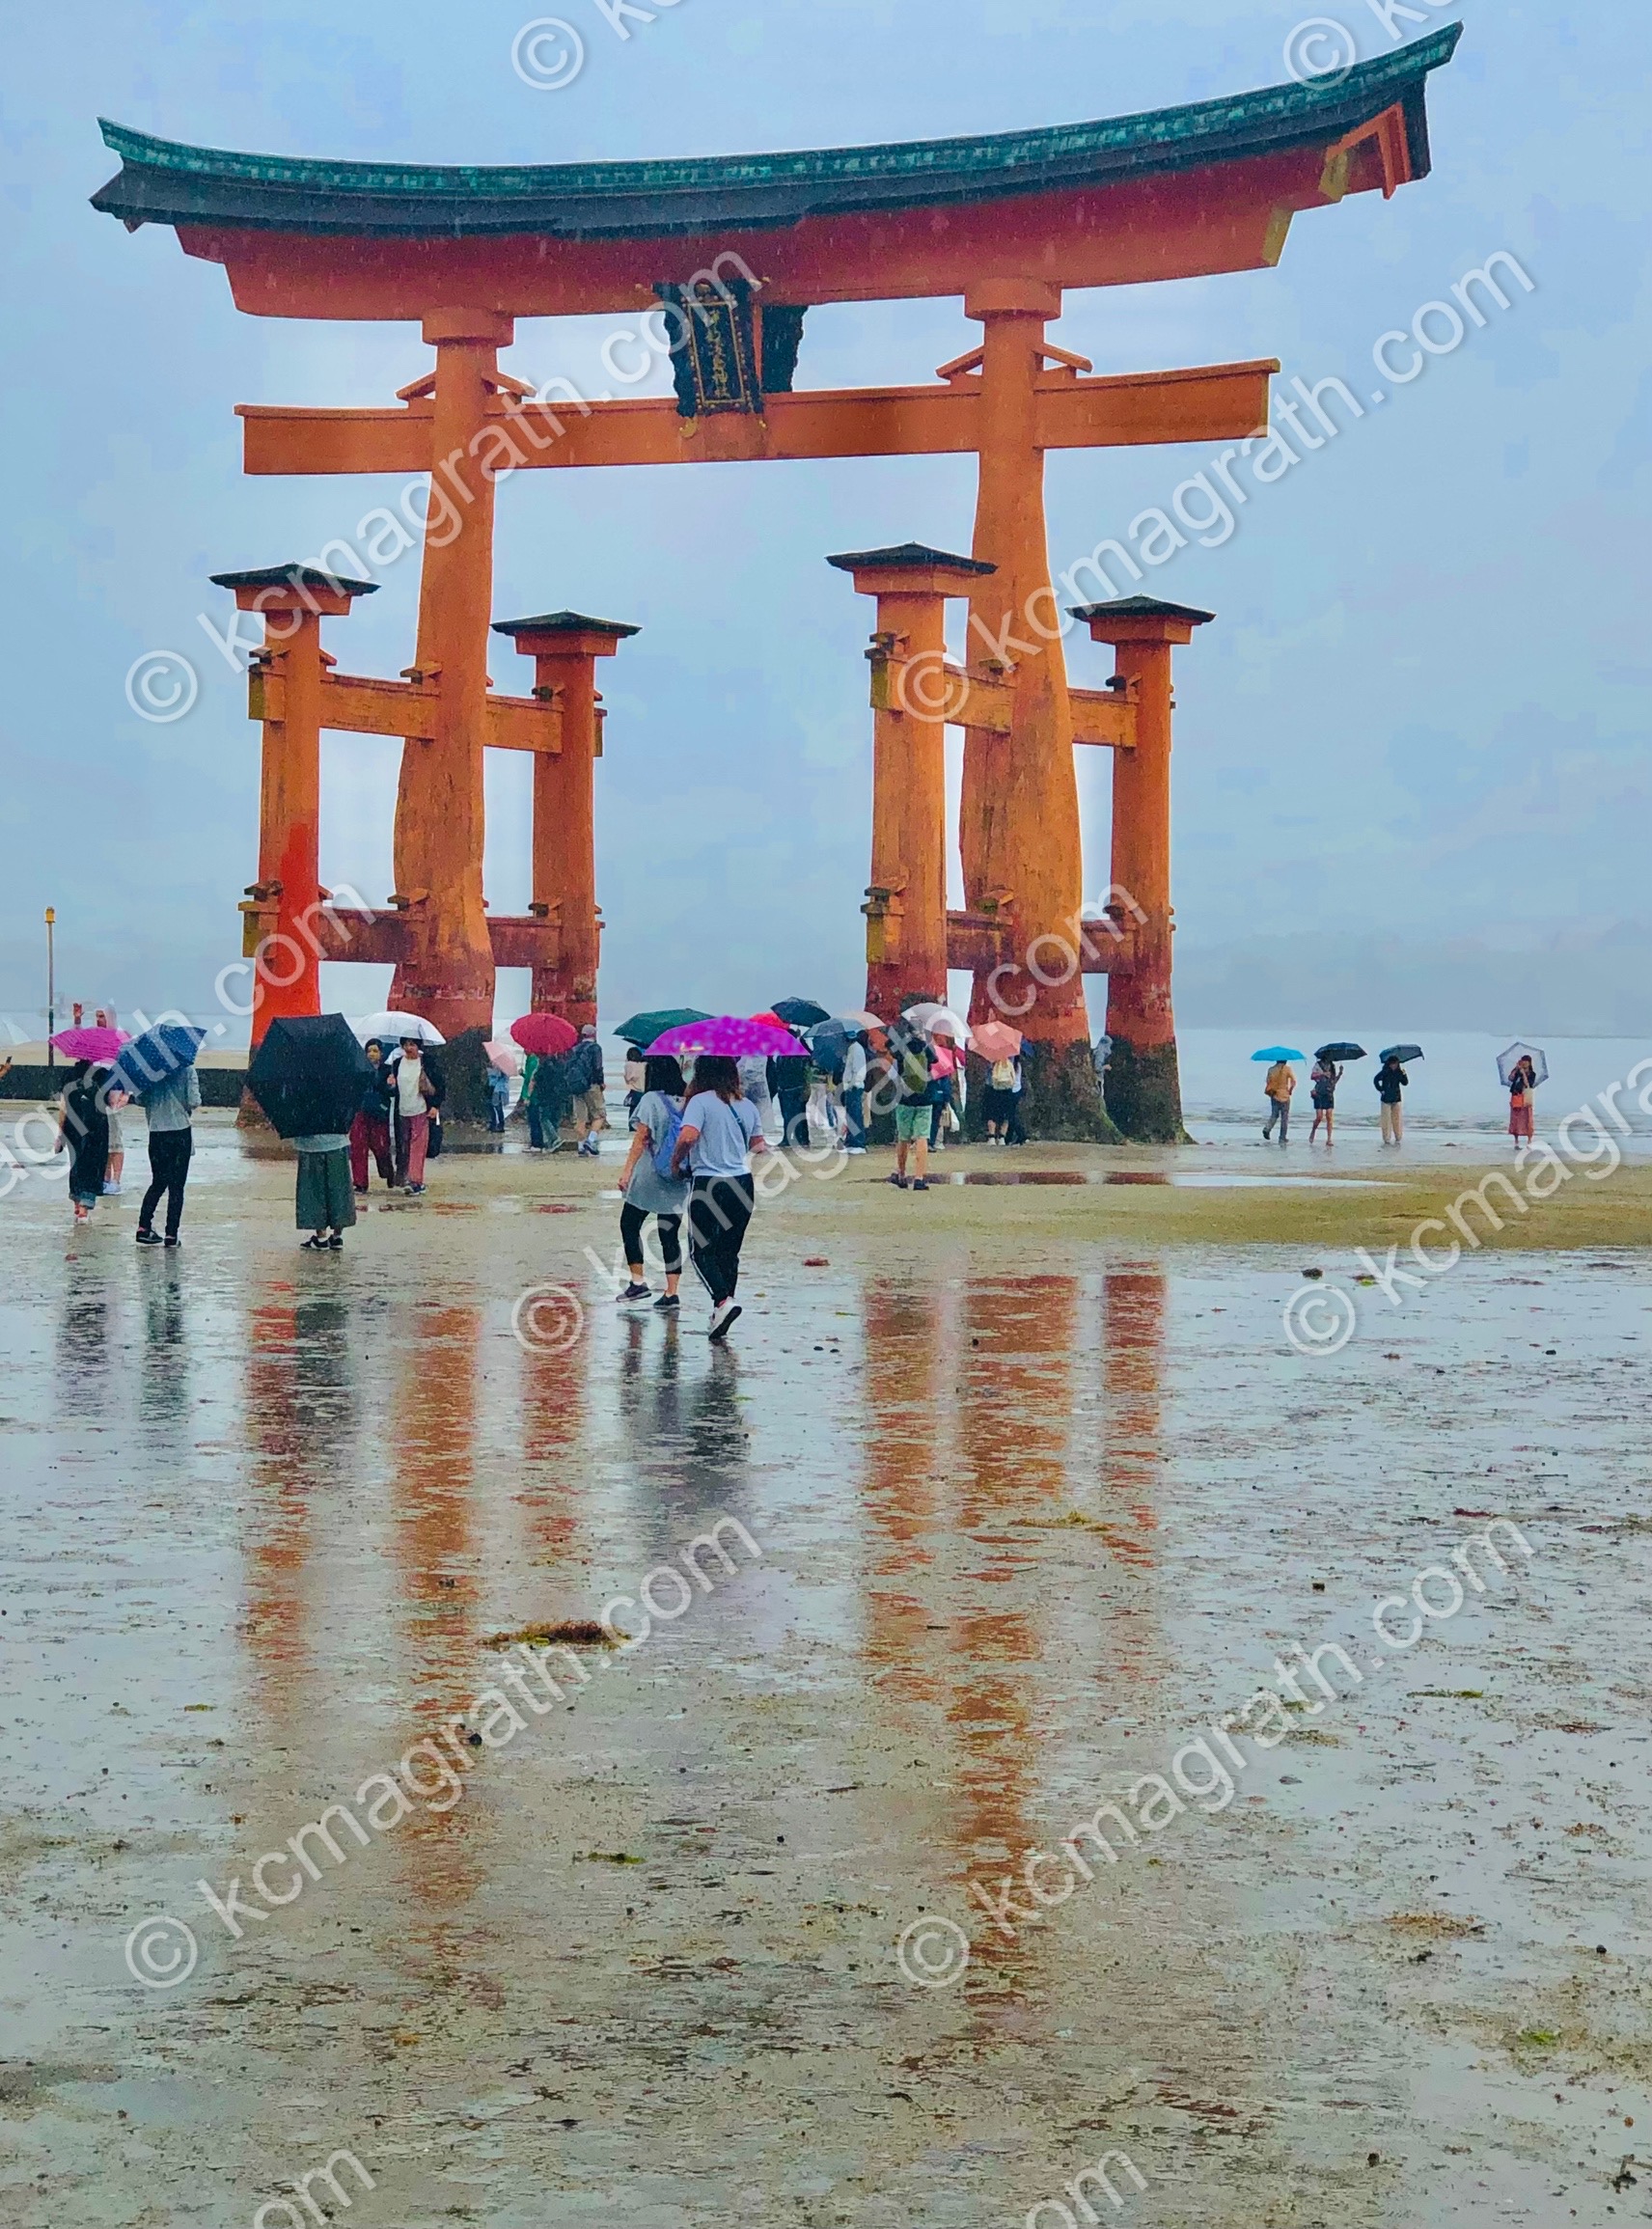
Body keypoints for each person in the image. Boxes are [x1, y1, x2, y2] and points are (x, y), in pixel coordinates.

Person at [672, 1053, 766, 1339]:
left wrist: (676, 1163)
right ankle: (722, 1308)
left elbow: (688, 1136)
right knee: (729, 1252)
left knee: (700, 1252)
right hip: (742, 1182)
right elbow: (758, 1144)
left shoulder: (699, 1102)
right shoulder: (747, 1105)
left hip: (709, 1182)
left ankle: (724, 1301)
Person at [615, 1055, 690, 1308]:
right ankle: (672, 1292)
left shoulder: (650, 1099)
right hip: (678, 1174)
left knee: (629, 1223)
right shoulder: (690, 1101)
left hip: (650, 1174)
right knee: (669, 1233)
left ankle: (638, 1282)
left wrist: (626, 1172)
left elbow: (641, 1138)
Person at [135, 1057, 200, 1247]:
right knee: (177, 1187)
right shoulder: (187, 1070)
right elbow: (194, 1100)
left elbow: (141, 1099)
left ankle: (143, 1226)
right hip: (180, 1132)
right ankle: (171, 1234)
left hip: (156, 1133)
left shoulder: (149, 1070)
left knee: (157, 1182)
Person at [384, 1036, 445, 1194]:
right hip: (402, 1110)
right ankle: (404, 1176)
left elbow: (440, 1084)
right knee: (403, 1146)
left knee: (417, 1146)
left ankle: (416, 1181)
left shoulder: (427, 1062)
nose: (408, 1048)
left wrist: (435, 1106)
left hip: (421, 1109)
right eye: (405, 1044)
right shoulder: (397, 1064)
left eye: (412, 1044)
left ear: (418, 1046)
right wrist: (390, 1084)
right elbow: (392, 1091)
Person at [57, 1061, 110, 1225]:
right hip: (96, 1127)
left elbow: (63, 1106)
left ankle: (76, 1201)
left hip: (73, 1125)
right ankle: (84, 1208)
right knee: (93, 1164)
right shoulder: (103, 1074)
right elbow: (111, 1102)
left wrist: (60, 1134)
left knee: (76, 1163)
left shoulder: (68, 1074)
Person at [888, 1024, 935, 1192]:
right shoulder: (926, 1048)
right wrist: (924, 1041)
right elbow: (935, 1060)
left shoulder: (901, 1048)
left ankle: (901, 1174)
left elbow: (889, 1047)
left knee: (903, 1137)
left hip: (904, 1098)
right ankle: (919, 1178)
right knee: (922, 1137)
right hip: (925, 1098)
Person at [294, 1127, 356, 1251]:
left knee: (314, 1191)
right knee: (339, 1191)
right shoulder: (339, 1107)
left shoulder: (304, 1107)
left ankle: (321, 1238)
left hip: (311, 1146)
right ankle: (337, 1236)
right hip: (338, 1145)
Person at [350, 1038, 395, 1192]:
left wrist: (390, 1085)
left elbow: (392, 1092)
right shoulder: (359, 1069)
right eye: (369, 1051)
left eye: (375, 1051)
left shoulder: (388, 1070)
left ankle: (388, 1173)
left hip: (379, 1113)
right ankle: (360, 1183)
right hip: (360, 1112)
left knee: (381, 1147)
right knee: (358, 1148)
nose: (371, 1054)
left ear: (381, 1053)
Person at [564, 1025, 608, 1157]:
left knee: (580, 1119)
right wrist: (601, 1082)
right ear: (593, 1035)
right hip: (591, 1085)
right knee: (599, 1115)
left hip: (576, 1086)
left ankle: (581, 1146)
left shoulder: (574, 1049)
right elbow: (598, 1067)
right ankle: (591, 1140)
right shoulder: (595, 1048)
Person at [526, 1045, 569, 1152]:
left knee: (545, 1118)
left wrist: (528, 1096)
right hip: (558, 1096)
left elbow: (533, 1082)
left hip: (545, 1096)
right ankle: (552, 1143)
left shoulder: (542, 1067)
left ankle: (554, 1138)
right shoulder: (560, 1065)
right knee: (554, 1119)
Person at [768, 1046, 809, 1151]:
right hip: (786, 1089)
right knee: (791, 1114)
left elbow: (796, 1073)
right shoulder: (784, 1055)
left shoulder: (795, 1055)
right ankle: (796, 1138)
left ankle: (793, 1138)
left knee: (792, 1114)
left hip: (792, 1089)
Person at [928, 1031, 961, 1151]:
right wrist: (947, 1097)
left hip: (930, 1093)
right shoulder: (945, 1055)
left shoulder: (928, 1054)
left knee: (931, 1118)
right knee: (936, 1120)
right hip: (940, 1094)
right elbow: (947, 1078)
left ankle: (926, 1141)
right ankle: (933, 1142)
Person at [983, 1048, 1019, 1144]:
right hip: (1007, 1087)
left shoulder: (990, 1054)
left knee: (991, 1112)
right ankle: (1002, 1137)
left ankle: (991, 1137)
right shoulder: (1011, 1054)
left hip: (992, 1087)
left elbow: (988, 1071)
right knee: (1006, 1113)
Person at [737, 1052, 777, 1140]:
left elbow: (749, 1071)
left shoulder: (754, 1057)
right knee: (759, 1117)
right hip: (757, 1091)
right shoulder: (761, 1057)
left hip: (753, 1090)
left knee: (754, 1117)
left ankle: (755, 1138)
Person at [841, 1032, 868, 1154]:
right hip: (850, 1087)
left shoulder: (856, 1049)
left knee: (856, 1115)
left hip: (855, 1087)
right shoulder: (852, 1049)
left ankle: (858, 1143)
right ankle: (851, 1141)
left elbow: (858, 1071)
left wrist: (853, 1084)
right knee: (851, 1115)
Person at [1375, 1053, 1408, 1144]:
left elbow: (1405, 1083)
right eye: (1392, 1064)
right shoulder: (1385, 1071)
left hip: (1396, 1098)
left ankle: (1398, 1137)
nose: (1394, 1066)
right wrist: (1380, 1089)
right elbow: (1376, 1079)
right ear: (1389, 1064)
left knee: (1397, 1119)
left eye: (1395, 1064)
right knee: (1386, 1119)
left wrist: (1404, 1074)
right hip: (1386, 1099)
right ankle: (1386, 1138)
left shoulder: (1399, 1072)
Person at [1507, 1054, 1537, 1157]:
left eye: (1525, 1061)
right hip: (1516, 1097)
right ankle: (1516, 1141)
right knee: (1515, 1119)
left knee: (1527, 1119)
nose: (1524, 1063)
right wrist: (1516, 1069)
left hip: (1525, 1098)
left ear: (1529, 1063)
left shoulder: (1532, 1074)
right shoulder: (1517, 1072)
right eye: (1522, 1061)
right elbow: (1510, 1079)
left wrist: (1523, 1073)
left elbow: (1527, 1084)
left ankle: (1529, 1141)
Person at [1308, 1057, 1342, 1146]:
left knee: (1329, 1116)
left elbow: (1333, 1081)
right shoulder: (1318, 1065)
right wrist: (1323, 1074)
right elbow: (1312, 1076)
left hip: (1329, 1092)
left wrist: (1340, 1073)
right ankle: (1313, 1130)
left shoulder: (1332, 1066)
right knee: (1319, 1117)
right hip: (1319, 1092)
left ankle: (1329, 1139)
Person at [1262, 1058, 1295, 1143]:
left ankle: (1267, 1128)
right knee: (1284, 1117)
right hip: (1285, 1095)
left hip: (1274, 1094)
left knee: (1274, 1115)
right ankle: (1282, 1137)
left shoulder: (1271, 1070)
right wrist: (1290, 1090)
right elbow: (1293, 1081)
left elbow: (1268, 1082)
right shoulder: (1287, 1069)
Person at [486, 1056, 511, 1135]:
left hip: (499, 1089)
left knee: (498, 1106)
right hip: (492, 1087)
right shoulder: (494, 1065)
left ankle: (500, 1124)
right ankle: (493, 1123)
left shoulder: (502, 1068)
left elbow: (499, 1075)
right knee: (491, 1105)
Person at [622, 1045, 647, 1123]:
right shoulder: (644, 1064)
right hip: (645, 1091)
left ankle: (632, 1128)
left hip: (635, 1091)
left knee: (633, 1111)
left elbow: (628, 1078)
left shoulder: (629, 1065)